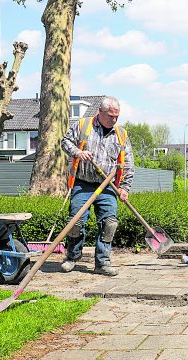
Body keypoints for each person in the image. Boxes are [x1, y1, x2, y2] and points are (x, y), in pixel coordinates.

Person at [60, 96, 134, 277]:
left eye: (117, 116)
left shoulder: (121, 134)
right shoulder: (83, 126)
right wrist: (77, 152)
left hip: (107, 186)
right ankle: (72, 257)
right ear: (99, 112)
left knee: (110, 224)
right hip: (83, 184)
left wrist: (124, 187)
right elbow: (65, 142)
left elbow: (128, 164)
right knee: (75, 222)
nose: (114, 120)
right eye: (110, 116)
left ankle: (102, 262)